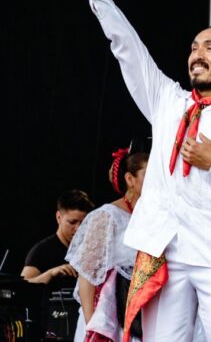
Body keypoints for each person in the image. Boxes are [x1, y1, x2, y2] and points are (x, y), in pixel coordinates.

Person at [80, 0, 211, 341]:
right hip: (166, 251)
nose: (197, 54)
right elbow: (127, 46)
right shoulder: (167, 101)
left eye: (209, 47)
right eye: (193, 47)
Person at [66, 145, 149, 342]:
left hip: (139, 316)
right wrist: (91, 326)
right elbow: (87, 276)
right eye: (149, 175)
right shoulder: (107, 215)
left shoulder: (152, 216)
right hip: (108, 317)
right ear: (130, 179)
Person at [21, 189, 95, 288]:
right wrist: (50, 273)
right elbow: (23, 286)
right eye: (72, 222)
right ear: (58, 217)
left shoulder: (91, 248)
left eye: (83, 223)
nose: (78, 229)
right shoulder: (41, 251)